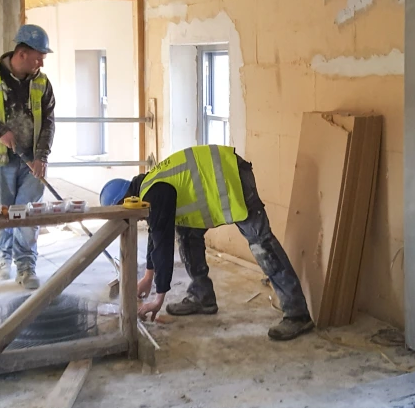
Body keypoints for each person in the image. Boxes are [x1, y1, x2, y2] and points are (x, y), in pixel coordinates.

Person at [100, 145, 314, 341]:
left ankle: (297, 314)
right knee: (186, 234)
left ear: (125, 200)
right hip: (220, 178)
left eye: (122, 215)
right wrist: (148, 276)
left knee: (262, 244)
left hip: (232, 177)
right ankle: (202, 296)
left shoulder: (154, 192)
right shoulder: (148, 189)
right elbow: (157, 230)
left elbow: (162, 242)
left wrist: (158, 298)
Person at [0, 24, 55, 290]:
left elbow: (49, 122)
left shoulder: (41, 82)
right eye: (39, 56)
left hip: (31, 162)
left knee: (28, 214)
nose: (41, 62)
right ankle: (2, 259)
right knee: (1, 211)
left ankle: (26, 265)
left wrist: (42, 156)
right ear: (22, 53)